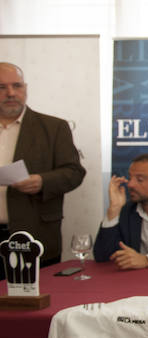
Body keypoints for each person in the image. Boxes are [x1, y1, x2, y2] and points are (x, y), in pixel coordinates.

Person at [0, 62, 85, 277]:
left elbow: (74, 172)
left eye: (16, 86)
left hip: (33, 233)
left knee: (32, 306)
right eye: (1, 87)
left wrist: (42, 181)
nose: (10, 93)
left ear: (26, 88)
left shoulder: (53, 127)